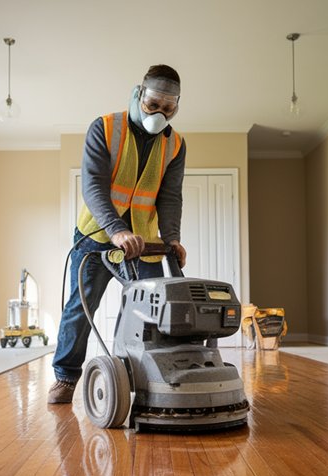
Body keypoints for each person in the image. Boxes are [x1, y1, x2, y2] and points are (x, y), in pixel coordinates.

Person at [48, 64, 188, 404]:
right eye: (153, 104)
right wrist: (116, 230)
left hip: (143, 242)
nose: (159, 113)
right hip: (95, 237)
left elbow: (170, 196)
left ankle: (136, 375)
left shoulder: (176, 145)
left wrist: (172, 238)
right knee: (81, 307)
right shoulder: (106, 128)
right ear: (139, 95)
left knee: (151, 309)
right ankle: (66, 378)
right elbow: (94, 186)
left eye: (168, 108)